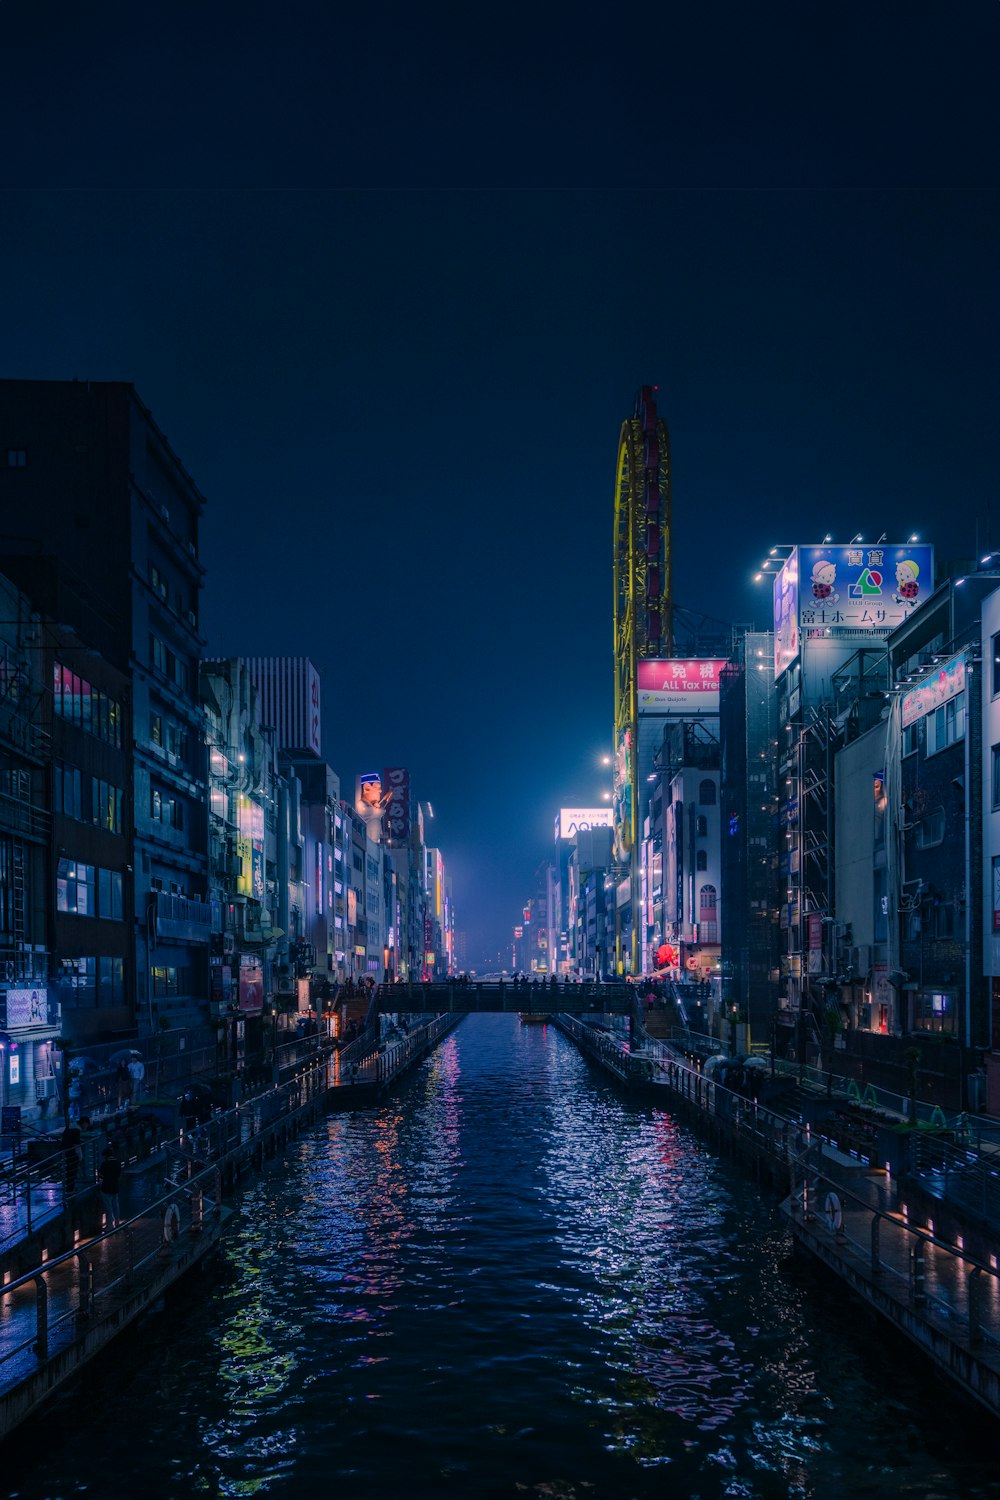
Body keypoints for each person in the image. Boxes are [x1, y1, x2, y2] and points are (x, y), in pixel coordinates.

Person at [99, 1144, 123, 1230]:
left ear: (105, 1156)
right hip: (115, 1187)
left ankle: (110, 1226)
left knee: (108, 1207)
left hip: (106, 1187)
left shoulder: (104, 1164)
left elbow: (101, 1176)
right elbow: (119, 1175)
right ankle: (117, 1222)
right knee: (116, 1205)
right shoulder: (117, 1163)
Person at [60, 1120, 82, 1195]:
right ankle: (70, 1190)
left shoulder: (68, 1129)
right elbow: (77, 1145)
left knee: (68, 1172)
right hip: (72, 1155)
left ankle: (68, 1189)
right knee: (72, 1172)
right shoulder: (76, 1131)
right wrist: (80, 1156)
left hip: (65, 1154)